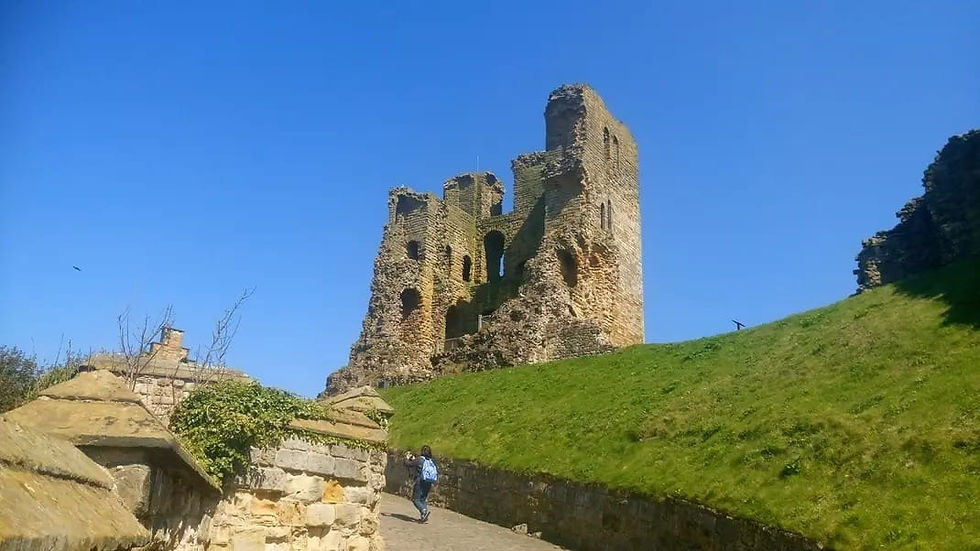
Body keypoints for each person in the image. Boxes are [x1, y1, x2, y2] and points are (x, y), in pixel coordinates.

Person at [404, 445, 436, 523]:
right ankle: (423, 515)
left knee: (415, 499)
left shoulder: (419, 459)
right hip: (429, 481)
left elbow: (408, 464)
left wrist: (406, 458)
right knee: (423, 499)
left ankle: (423, 510)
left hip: (420, 481)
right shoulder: (430, 461)